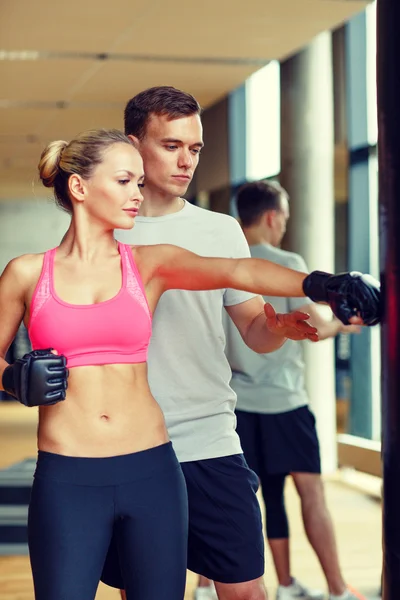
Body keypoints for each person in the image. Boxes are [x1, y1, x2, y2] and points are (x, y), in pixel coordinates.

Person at [0, 128, 371, 600]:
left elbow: (238, 269)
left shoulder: (149, 264)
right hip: (68, 474)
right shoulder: (27, 273)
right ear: (79, 188)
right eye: (124, 181)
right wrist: (12, 378)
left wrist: (321, 284)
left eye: (138, 181)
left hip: (152, 470)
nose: (138, 193)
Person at [97, 86, 380, 600]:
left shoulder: (220, 230)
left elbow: (252, 329)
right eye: (171, 146)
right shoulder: (105, 230)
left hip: (209, 436)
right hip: (129, 445)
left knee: (247, 591)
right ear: (134, 144)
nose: (186, 161)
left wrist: (277, 328)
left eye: (195, 149)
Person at [223, 180, 367, 600]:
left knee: (248, 497)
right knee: (311, 494)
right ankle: (338, 588)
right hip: (285, 403)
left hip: (237, 406)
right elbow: (316, 326)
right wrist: (346, 322)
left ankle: (260, 584)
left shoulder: (222, 265)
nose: (283, 226)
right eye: (283, 218)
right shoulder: (286, 263)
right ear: (272, 217)